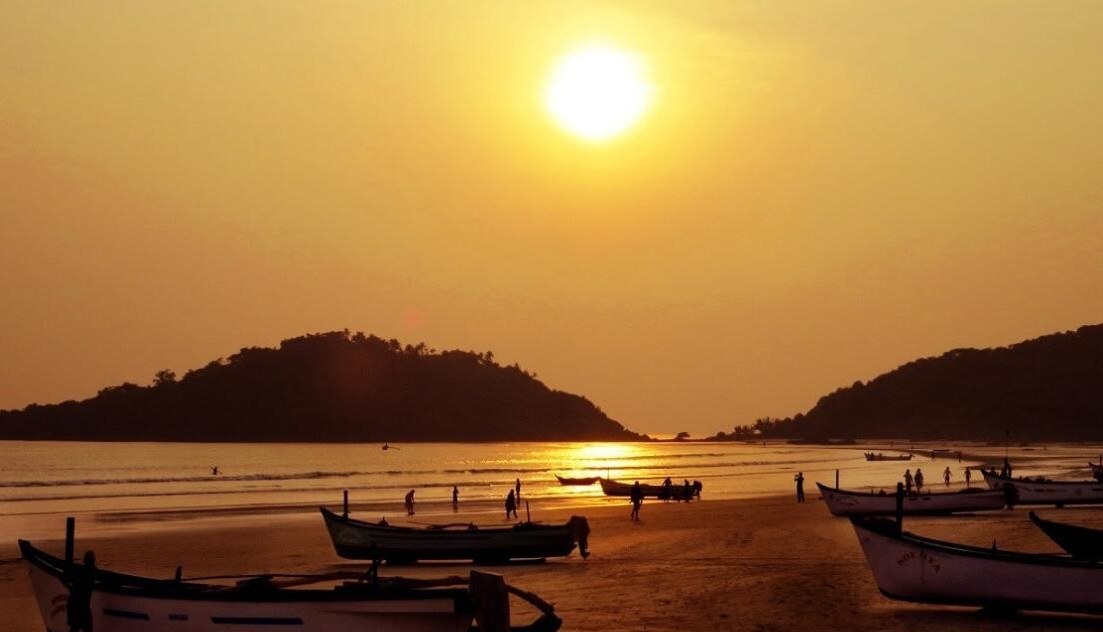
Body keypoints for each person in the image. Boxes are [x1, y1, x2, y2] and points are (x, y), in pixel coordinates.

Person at [65, 550, 95, 632]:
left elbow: (65, 579)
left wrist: (70, 587)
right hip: (82, 606)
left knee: (75, 627)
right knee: (87, 627)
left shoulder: (80, 571)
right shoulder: (92, 572)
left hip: (75, 605)